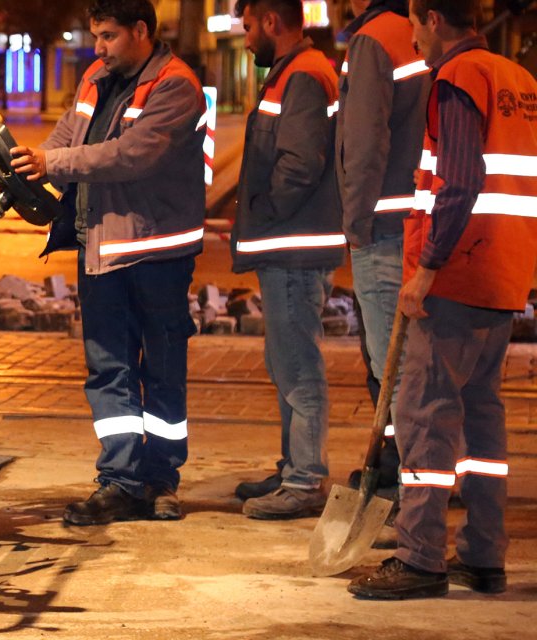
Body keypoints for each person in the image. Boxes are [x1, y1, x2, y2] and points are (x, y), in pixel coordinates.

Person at [348, 0, 537, 599]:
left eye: (413, 21)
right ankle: (483, 556)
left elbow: (461, 179)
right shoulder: (519, 79)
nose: (411, 34)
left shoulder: (459, 77)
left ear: (431, 17)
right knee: (482, 417)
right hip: (503, 272)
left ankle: (420, 559)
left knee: (426, 414)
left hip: (457, 272)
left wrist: (426, 269)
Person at [9, 0, 206, 526]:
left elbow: (130, 155)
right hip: (102, 249)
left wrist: (54, 162)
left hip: (157, 252)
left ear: (141, 31)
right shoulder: (96, 77)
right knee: (109, 370)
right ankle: (120, 481)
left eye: (108, 36)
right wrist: (32, 166)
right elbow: (66, 137)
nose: (97, 48)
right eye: (96, 36)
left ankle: (161, 480)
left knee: (162, 369)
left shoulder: (175, 86)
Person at [230, 0, 343, 519]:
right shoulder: (294, 72)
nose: (247, 37)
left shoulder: (302, 76)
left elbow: (299, 163)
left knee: (297, 365)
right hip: (288, 243)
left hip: (294, 244)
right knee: (286, 362)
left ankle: (305, 480)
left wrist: (263, 210)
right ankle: (292, 467)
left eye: (250, 26)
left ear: (272, 22)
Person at [336, 0, 431, 498]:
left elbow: (366, 139)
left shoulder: (372, 40)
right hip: (422, 222)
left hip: (384, 225)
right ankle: (422, 478)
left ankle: (411, 496)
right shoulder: (419, 33)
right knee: (420, 365)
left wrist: (355, 222)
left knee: (391, 368)